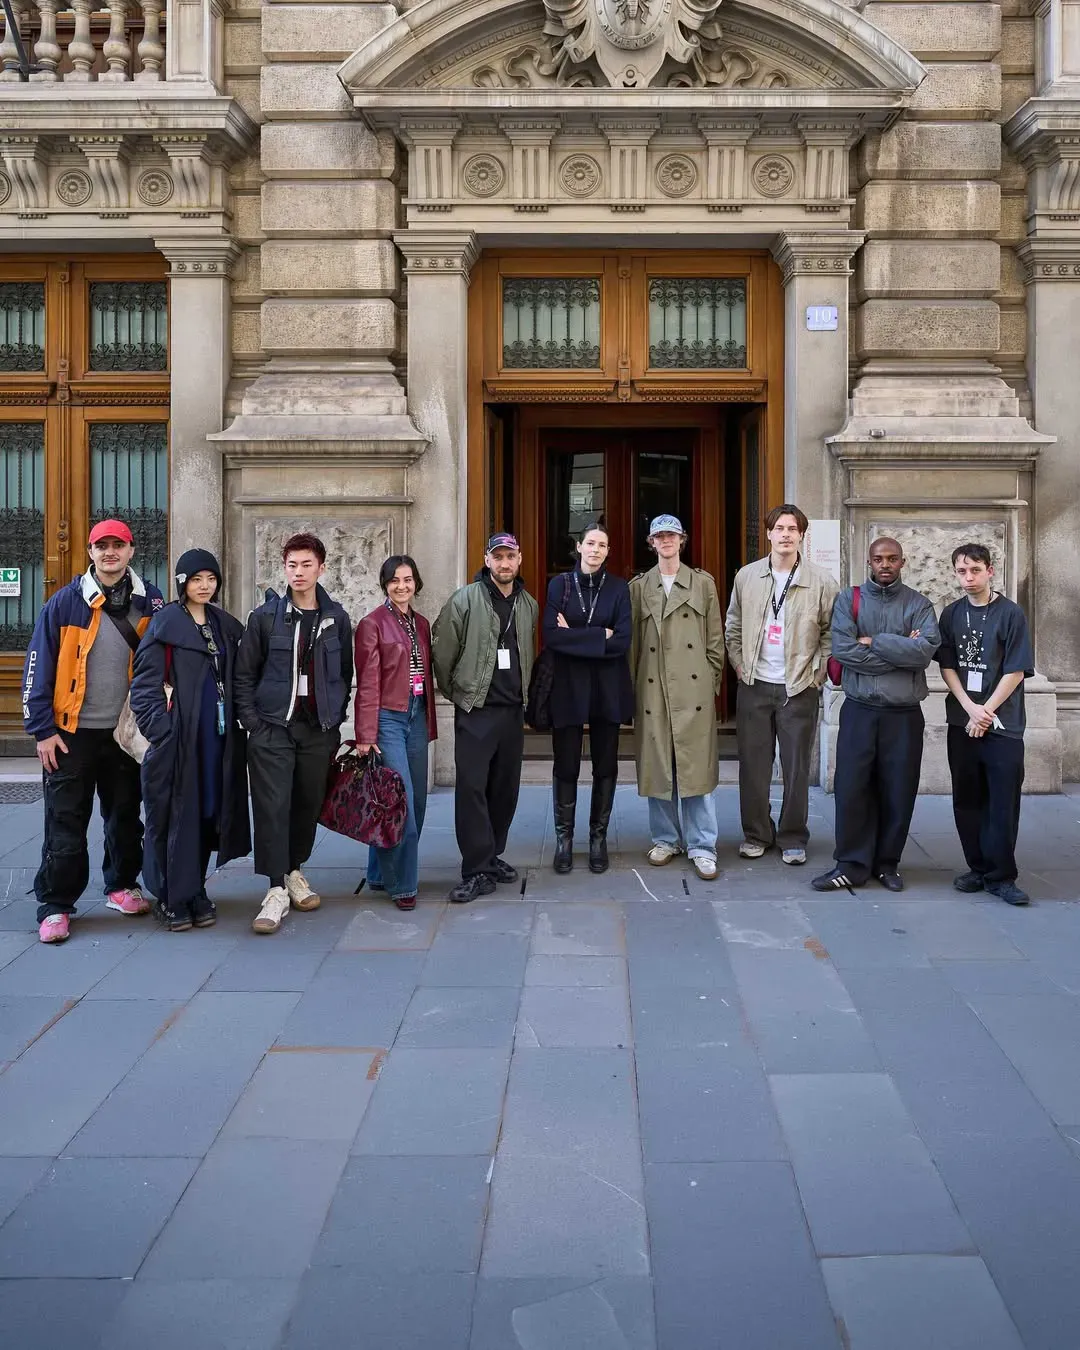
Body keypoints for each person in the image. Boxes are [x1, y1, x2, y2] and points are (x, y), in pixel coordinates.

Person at [22, 519, 164, 944]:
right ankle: (56, 905)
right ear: (90, 552)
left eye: (117, 545)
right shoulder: (65, 603)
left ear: (131, 551)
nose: (110, 553)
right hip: (71, 734)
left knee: (124, 817)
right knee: (65, 821)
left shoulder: (150, 601)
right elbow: (37, 667)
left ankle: (121, 886)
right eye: (101, 546)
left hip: (124, 733)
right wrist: (42, 729)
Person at [234, 533, 353, 935]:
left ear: (321, 567)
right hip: (272, 729)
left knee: (306, 803)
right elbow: (244, 674)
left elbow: (344, 674)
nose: (298, 572)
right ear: (284, 568)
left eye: (306, 565)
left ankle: (294, 872)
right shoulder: (265, 617)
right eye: (292, 565)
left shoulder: (337, 617)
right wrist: (253, 723)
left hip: (317, 731)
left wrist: (335, 720)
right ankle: (274, 889)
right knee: (272, 806)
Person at [130, 549, 251, 931]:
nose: (204, 586)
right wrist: (161, 733)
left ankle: (195, 888)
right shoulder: (165, 624)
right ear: (183, 582)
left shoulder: (222, 624)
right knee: (172, 815)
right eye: (196, 579)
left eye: (210, 579)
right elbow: (144, 684)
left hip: (215, 739)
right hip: (178, 740)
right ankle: (170, 896)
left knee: (205, 812)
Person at [812, 536, 939, 893]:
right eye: (879, 558)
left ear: (902, 562)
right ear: (869, 561)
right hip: (860, 710)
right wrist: (900, 649)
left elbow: (923, 653)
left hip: (903, 716)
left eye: (892, 559)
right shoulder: (848, 600)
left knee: (898, 790)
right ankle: (851, 864)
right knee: (852, 788)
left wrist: (875, 641)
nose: (885, 564)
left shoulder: (919, 604)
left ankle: (887, 863)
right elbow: (844, 650)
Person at [725, 503, 838, 866]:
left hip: (798, 687)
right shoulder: (747, 577)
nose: (786, 534)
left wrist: (817, 674)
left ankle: (792, 836)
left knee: (796, 767)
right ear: (769, 534)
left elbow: (830, 634)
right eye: (779, 528)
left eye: (793, 528)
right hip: (755, 683)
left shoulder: (821, 581)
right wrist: (741, 666)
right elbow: (733, 626)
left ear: (802, 535)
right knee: (754, 766)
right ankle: (756, 833)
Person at [432, 532, 539, 903]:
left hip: (512, 712)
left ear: (519, 559)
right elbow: (442, 654)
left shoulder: (528, 605)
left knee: (504, 790)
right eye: (498, 557)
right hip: (476, 712)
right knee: (472, 790)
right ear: (487, 559)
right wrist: (459, 695)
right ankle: (476, 868)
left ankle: (491, 855)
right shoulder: (465, 600)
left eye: (510, 556)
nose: (504, 563)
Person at [629, 514, 725, 881]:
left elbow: (715, 639)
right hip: (653, 689)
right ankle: (666, 839)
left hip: (693, 691)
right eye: (659, 536)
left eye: (671, 535)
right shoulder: (639, 587)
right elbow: (633, 647)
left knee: (694, 766)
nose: (666, 541)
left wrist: (711, 684)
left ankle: (703, 845)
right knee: (659, 766)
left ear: (682, 540)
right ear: (651, 543)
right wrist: (634, 687)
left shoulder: (702, 584)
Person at [937, 543, 1034, 906]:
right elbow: (947, 665)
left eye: (975, 570)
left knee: (1002, 800)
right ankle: (977, 868)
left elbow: (1017, 669)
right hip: (962, 721)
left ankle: (1002, 875)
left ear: (990, 570)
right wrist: (968, 708)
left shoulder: (1011, 614)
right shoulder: (950, 614)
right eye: (961, 571)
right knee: (967, 797)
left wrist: (986, 712)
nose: (968, 577)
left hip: (1002, 724)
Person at [542, 522, 633, 875]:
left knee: (605, 765)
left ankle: (598, 838)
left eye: (603, 545)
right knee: (566, 764)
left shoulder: (619, 588)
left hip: (608, 687)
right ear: (579, 546)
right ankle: (564, 840)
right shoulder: (559, 585)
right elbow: (551, 636)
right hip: (568, 686)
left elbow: (622, 640)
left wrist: (577, 636)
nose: (595, 550)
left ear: (608, 552)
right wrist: (600, 636)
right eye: (590, 543)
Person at [353, 555, 437, 912]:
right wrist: (365, 733)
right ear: (384, 584)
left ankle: (377, 872)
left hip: (416, 715)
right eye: (394, 581)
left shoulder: (421, 623)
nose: (401, 586)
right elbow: (367, 683)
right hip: (387, 718)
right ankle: (403, 885)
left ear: (416, 582)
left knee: (413, 800)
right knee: (400, 804)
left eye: (407, 580)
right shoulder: (372, 624)